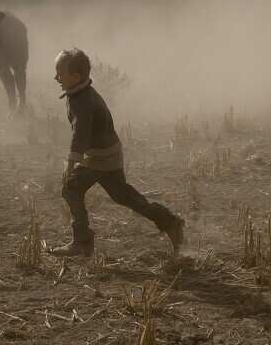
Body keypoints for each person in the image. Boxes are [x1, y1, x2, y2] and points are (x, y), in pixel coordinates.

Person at [48, 48, 185, 257]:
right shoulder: (80, 93)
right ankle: (170, 222)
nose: (56, 78)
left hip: (98, 158)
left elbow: (80, 134)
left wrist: (71, 162)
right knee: (124, 196)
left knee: (71, 189)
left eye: (60, 74)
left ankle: (82, 241)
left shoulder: (82, 101)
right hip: (109, 154)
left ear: (75, 77)